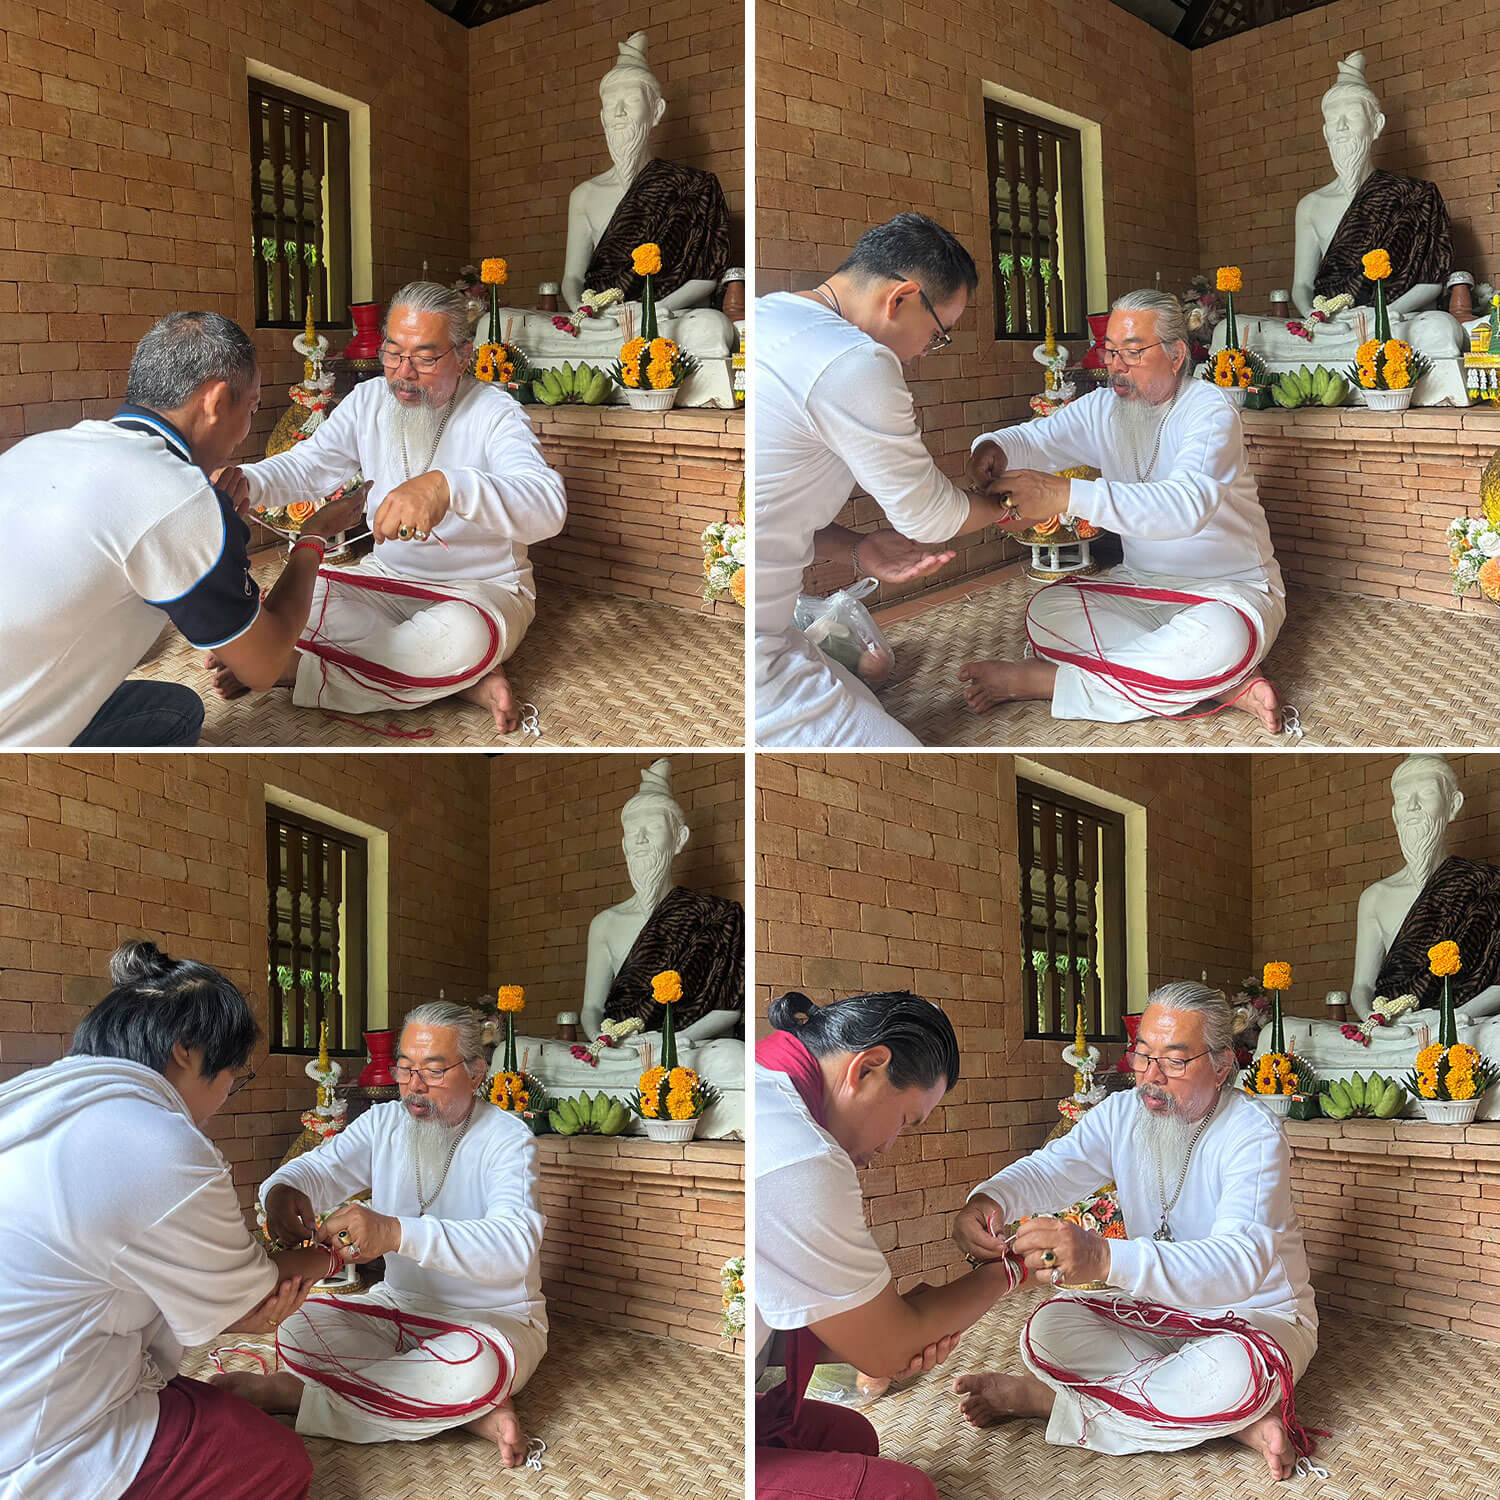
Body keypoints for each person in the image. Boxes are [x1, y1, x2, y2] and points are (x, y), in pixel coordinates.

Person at [0, 941, 333, 1500]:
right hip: (34, 1428)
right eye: (233, 1077)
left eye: (433, 1068)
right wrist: (333, 1252)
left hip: (32, 1377)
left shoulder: (35, 1100)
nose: (225, 1097)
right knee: (277, 1462)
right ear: (186, 1050)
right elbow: (249, 1306)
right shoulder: (156, 1140)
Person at [951, 983, 1320, 1483]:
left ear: (1221, 1065)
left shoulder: (1253, 1133)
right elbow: (1052, 1169)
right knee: (1047, 1328)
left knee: (1238, 1375)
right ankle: (1233, 1424)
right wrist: (988, 1201)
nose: (1151, 1077)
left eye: (1174, 1061)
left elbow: (1239, 1265)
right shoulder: (1124, 1113)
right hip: (1159, 1312)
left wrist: (1105, 1259)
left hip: (1255, 1317)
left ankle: (1047, 1400)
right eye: (1142, 1055)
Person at [210, 282, 567, 734]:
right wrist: (246, 481)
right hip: (383, 578)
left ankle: (292, 671)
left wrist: (447, 487)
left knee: (463, 638)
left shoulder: (495, 411)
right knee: (291, 603)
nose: (403, 373)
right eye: (393, 353)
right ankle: (456, 683)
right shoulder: (369, 401)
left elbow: (548, 506)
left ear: (462, 355)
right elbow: (309, 465)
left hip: (479, 591)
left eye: (425, 358)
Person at [0, 312, 362, 748]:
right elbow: (264, 666)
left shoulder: (41, 446)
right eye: (250, 409)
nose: (244, 432)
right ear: (217, 402)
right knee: (182, 715)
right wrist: (314, 534)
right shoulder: (179, 499)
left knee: (174, 705)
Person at [214, 1002, 547, 1466]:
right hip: (397, 1306)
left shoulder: (508, 1140)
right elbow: (317, 1170)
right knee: (295, 1326)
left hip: (490, 1320)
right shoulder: (385, 1122)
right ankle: (465, 1414)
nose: (414, 1086)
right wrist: (281, 1192)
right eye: (405, 1068)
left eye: (433, 1071)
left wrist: (394, 1232)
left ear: (476, 1073)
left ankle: (294, 1396)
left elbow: (513, 1246)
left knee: (475, 1368)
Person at [960, 290, 1290, 733]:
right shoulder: (1103, 408)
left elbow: (1184, 507)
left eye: (1132, 352)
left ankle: (1046, 682)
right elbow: (1036, 439)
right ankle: (1222, 685)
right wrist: (992, 449)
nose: (1115, 365)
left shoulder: (1210, 411)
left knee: (1223, 638)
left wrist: (1065, 494)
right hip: (1140, 586)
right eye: (1110, 351)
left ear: (1176, 355)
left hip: (1227, 591)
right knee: (1046, 612)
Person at [754, 213, 1021, 747]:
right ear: (900, 298)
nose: (925, 352)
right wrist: (1011, 503)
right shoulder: (853, 361)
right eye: (938, 334)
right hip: (756, 651)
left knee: (870, 686)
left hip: (763, 619)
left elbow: (765, 508)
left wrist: (857, 548)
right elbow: (928, 516)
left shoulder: (770, 313)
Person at [756, 990, 1027, 1499]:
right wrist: (1016, 1268)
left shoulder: (767, 1081)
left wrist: (901, 1320)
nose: (888, 1146)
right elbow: (885, 1353)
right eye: (905, 1120)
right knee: (904, 1491)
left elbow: (865, 1339)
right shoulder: (802, 1156)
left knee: (852, 1436)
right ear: (868, 1067)